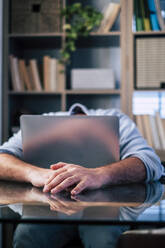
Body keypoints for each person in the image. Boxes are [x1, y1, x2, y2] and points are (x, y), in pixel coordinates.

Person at [0, 103, 164, 195]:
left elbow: (151, 162)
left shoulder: (117, 118)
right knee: (27, 235)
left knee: (102, 237)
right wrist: (34, 173)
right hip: (45, 201)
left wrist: (99, 175)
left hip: (105, 208)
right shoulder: (43, 120)